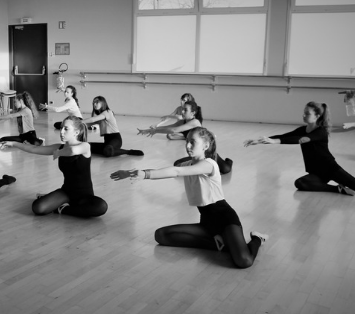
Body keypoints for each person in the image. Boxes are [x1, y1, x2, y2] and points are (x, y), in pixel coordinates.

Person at [111, 127, 268, 269]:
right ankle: (220, 242)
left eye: (193, 142)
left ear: (206, 146)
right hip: (207, 222)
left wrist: (144, 174)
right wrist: (135, 172)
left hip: (225, 220)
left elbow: (176, 172)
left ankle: (257, 239)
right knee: (161, 235)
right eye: (187, 142)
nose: (187, 146)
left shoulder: (210, 164)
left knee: (244, 261)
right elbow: (171, 171)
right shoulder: (188, 164)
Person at [0, 116, 108, 217]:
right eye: (61, 128)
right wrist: (14, 144)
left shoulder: (85, 146)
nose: (61, 132)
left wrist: (58, 153)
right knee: (38, 208)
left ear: (77, 132)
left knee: (101, 206)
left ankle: (63, 209)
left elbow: (72, 151)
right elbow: (34, 149)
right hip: (66, 191)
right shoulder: (59, 147)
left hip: (84, 196)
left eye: (66, 129)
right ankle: (64, 205)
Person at [244, 101, 355, 196]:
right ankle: (339, 189)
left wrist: (274, 142)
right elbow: (285, 136)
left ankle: (343, 185)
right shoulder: (302, 129)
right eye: (304, 112)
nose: (303, 115)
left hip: (331, 169)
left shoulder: (321, 132)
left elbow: (301, 140)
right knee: (300, 183)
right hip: (317, 172)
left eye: (307, 113)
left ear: (317, 116)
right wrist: (258, 141)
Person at [138, 100, 233, 174]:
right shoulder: (183, 121)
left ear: (193, 113)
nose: (182, 112)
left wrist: (155, 131)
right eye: (182, 109)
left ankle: (228, 161)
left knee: (225, 170)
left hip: (208, 151)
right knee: (177, 164)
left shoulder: (194, 122)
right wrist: (151, 130)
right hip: (198, 154)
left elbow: (174, 131)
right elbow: (170, 127)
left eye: (185, 110)